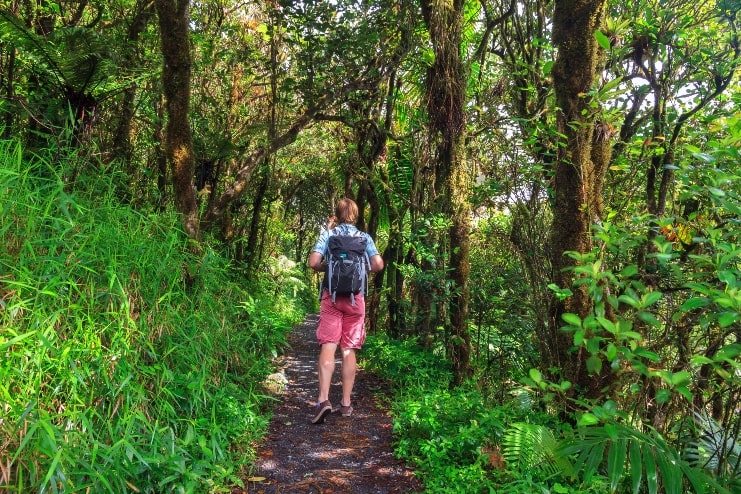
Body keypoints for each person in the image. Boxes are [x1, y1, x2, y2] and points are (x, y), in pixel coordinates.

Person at [307, 198, 384, 424]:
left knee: (329, 346)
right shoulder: (364, 237)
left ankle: (323, 400)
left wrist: (327, 266)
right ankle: (346, 404)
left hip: (331, 297)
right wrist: (362, 268)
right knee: (349, 349)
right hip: (355, 299)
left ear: (337, 214)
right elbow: (379, 264)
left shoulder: (329, 235)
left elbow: (313, 262)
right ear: (356, 215)